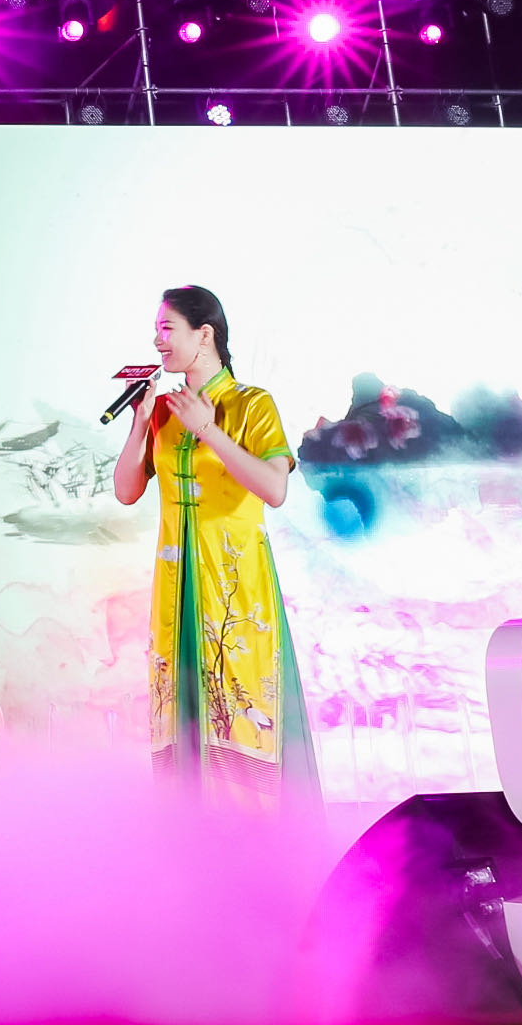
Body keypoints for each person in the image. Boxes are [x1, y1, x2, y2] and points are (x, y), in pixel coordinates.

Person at [112, 283, 316, 809]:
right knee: (180, 708)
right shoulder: (163, 410)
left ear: (204, 335)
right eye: (156, 330)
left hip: (233, 585)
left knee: (239, 701)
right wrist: (140, 423)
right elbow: (127, 491)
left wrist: (209, 431)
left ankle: (254, 833)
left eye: (167, 329)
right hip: (177, 586)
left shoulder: (251, 404)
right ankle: (190, 836)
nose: (157, 341)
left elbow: (274, 490)